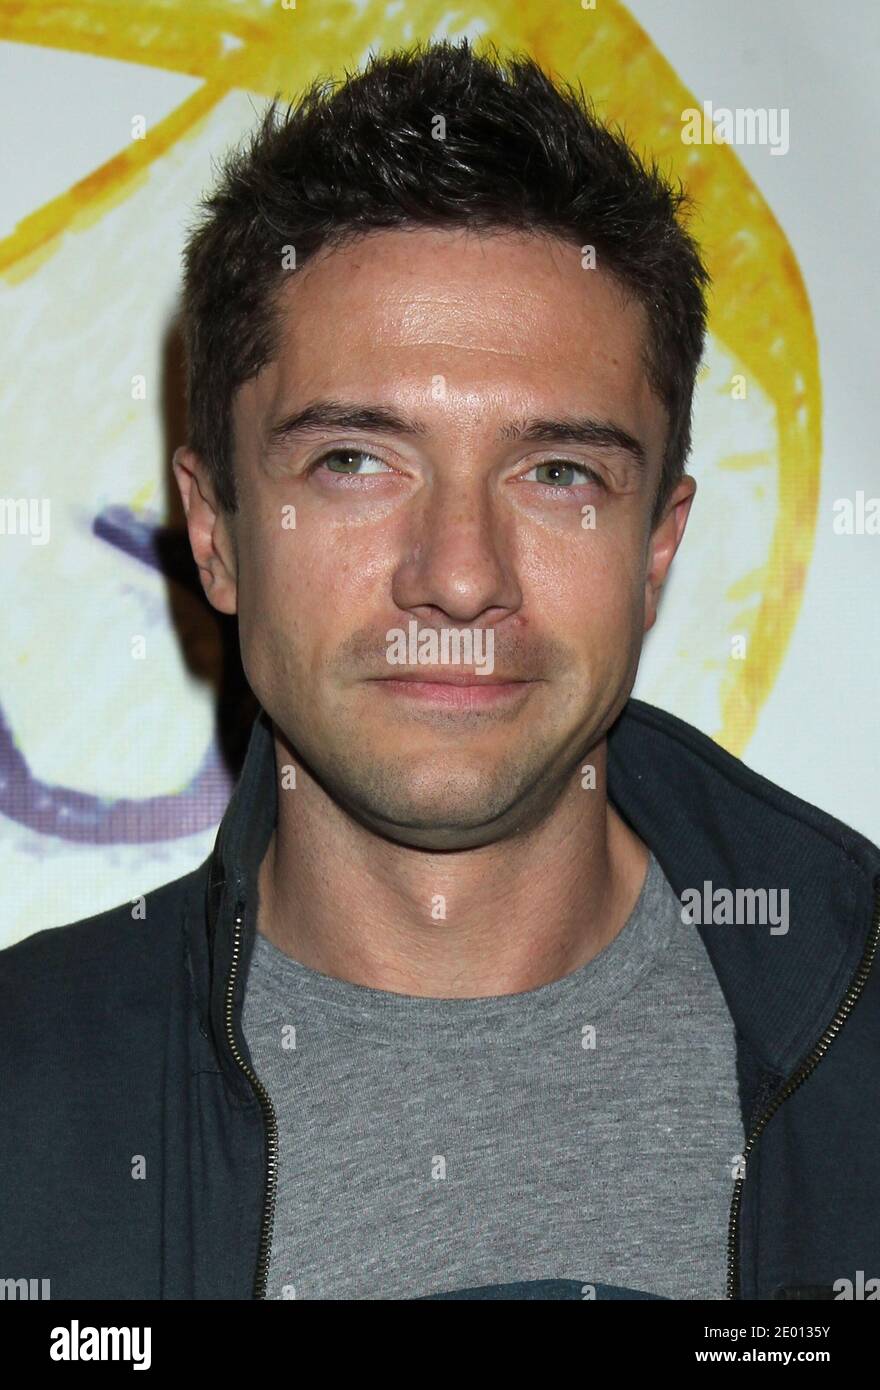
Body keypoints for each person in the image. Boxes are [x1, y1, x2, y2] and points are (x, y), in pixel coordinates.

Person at [2, 38, 878, 1303]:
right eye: (355, 460)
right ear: (216, 532)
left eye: (558, 472)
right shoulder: (24, 1094)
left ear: (657, 549)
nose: (460, 576)